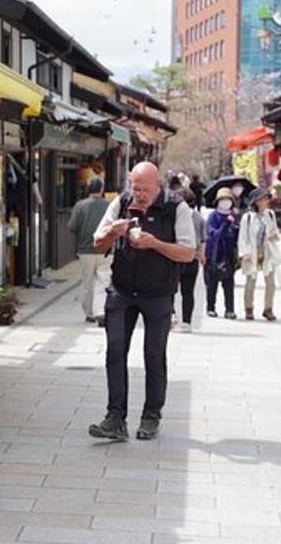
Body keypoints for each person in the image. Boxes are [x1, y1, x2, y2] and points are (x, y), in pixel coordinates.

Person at [88, 161, 196, 442]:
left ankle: (151, 416)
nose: (140, 195)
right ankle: (115, 418)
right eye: (135, 188)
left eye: (145, 190)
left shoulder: (176, 208)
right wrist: (113, 232)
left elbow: (187, 253)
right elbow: (96, 242)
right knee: (114, 351)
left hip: (158, 293)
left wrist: (155, 244)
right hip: (122, 290)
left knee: (154, 355)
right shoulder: (122, 202)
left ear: (157, 185)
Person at [67, 177, 111, 324]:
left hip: (85, 249)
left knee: (87, 283)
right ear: (101, 190)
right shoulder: (108, 206)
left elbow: (72, 226)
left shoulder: (80, 206)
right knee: (103, 281)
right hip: (105, 249)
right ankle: (101, 311)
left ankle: (89, 313)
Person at [238, 187, 281, 321]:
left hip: (267, 252)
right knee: (251, 282)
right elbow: (243, 237)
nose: (266, 201)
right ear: (256, 202)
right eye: (263, 199)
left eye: (267, 198)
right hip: (252, 253)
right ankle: (249, 308)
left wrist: (274, 235)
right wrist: (244, 252)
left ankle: (268, 309)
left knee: (271, 283)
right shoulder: (248, 218)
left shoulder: (270, 215)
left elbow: (275, 230)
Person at [205, 188, 240, 319]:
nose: (226, 202)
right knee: (212, 284)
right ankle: (210, 307)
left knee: (229, 284)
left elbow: (236, 235)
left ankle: (229, 309)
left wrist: (236, 229)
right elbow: (214, 234)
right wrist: (226, 224)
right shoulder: (213, 216)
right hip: (214, 255)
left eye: (228, 200)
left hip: (229, 255)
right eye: (223, 200)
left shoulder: (234, 216)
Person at [177, 193, 207, 331]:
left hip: (176, 256)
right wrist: (202, 255)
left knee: (170, 289)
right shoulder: (199, 217)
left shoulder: (176, 215)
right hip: (192, 257)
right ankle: (186, 321)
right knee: (188, 291)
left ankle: (171, 316)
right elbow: (203, 240)